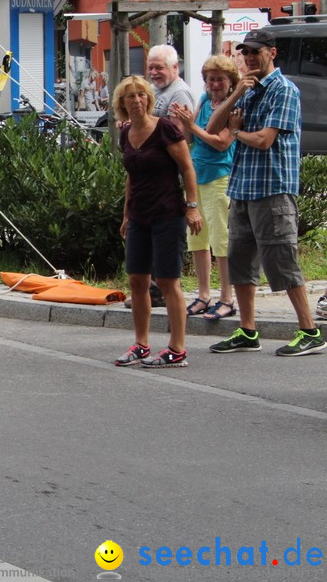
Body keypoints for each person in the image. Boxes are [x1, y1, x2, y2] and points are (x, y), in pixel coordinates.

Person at [205, 28, 323, 356]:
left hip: (272, 187)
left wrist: (238, 129)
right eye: (246, 52)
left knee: (281, 259)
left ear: (272, 53)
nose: (250, 57)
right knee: (240, 260)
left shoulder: (284, 90)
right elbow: (213, 128)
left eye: (256, 51)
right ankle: (247, 330)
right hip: (242, 186)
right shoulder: (248, 90)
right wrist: (235, 95)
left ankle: (310, 330)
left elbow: (264, 140)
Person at [113, 75, 203, 369]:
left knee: (167, 281)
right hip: (140, 215)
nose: (137, 100)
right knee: (137, 281)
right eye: (131, 96)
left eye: (142, 95)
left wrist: (192, 208)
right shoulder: (125, 133)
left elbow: (187, 169)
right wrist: (127, 214)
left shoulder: (164, 128)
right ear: (122, 103)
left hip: (168, 214)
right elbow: (131, 176)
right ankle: (141, 344)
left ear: (149, 99)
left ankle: (177, 349)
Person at [171, 55, 238, 321]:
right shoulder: (203, 100)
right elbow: (189, 136)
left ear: (230, 81)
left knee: (220, 240)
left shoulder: (233, 107)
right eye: (211, 79)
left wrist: (191, 126)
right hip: (196, 176)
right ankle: (203, 294)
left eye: (221, 79)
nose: (215, 84)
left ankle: (227, 297)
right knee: (197, 238)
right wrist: (182, 123)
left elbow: (221, 143)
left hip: (219, 176)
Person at [146, 44, 195, 120]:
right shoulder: (150, 88)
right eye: (150, 68)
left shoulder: (179, 93)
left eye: (159, 68)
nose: (153, 72)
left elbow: (179, 131)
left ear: (175, 67)